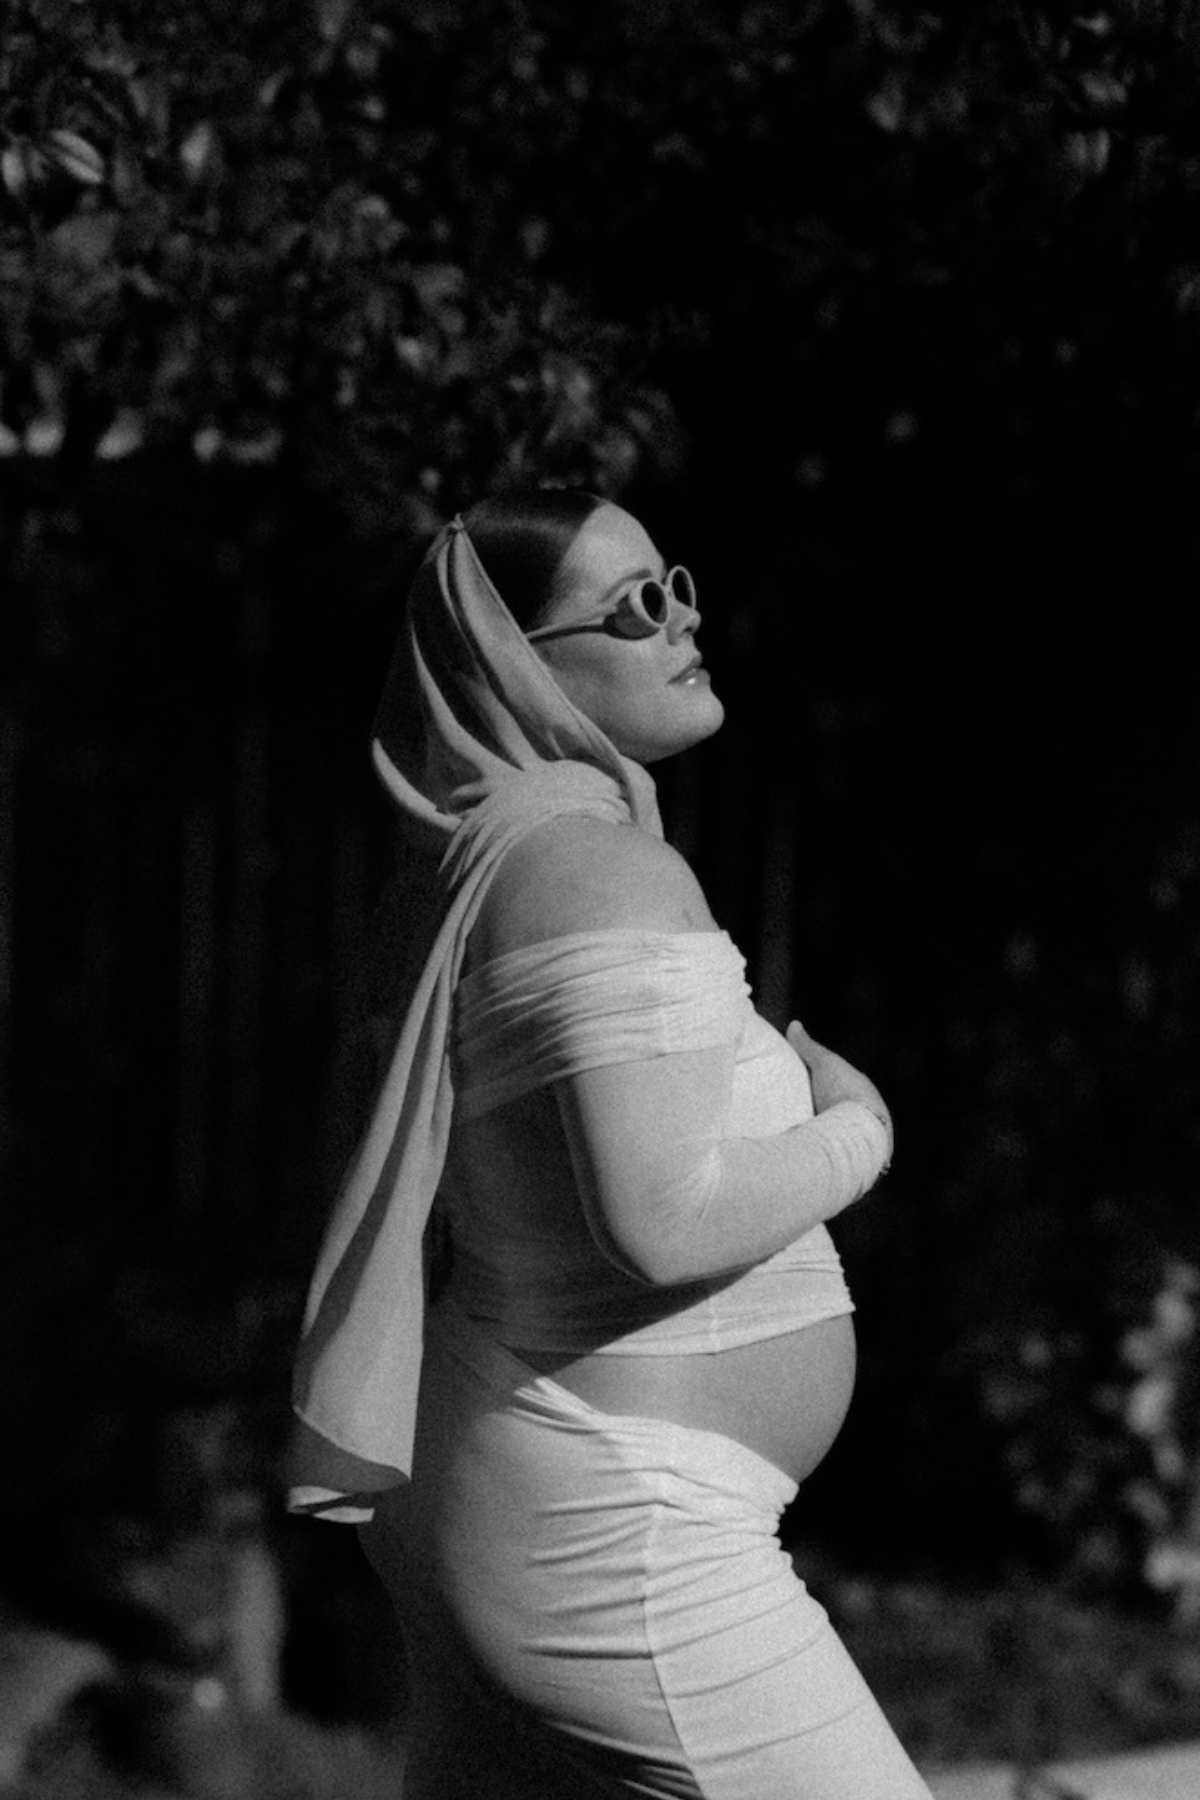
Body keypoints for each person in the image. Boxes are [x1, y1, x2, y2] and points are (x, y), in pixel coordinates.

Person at [288, 489, 934, 1799]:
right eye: (635, 607)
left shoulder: (473, 864)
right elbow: (660, 1222)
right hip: (621, 1531)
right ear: (521, 662)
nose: (682, 621)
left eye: (676, 584)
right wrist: (861, 1132)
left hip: (537, 1482)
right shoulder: (591, 871)